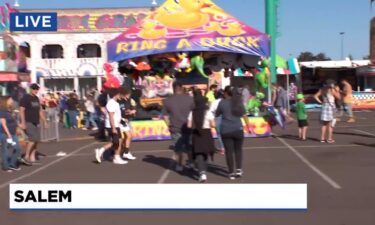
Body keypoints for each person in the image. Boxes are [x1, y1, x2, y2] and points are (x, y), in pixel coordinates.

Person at [216, 86, 251, 180]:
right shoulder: (238, 102)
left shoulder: (222, 103)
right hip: (238, 128)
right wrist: (248, 126)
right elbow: (244, 115)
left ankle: (231, 173)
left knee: (229, 152)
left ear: (226, 93)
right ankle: (239, 169)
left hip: (226, 130)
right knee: (238, 150)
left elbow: (217, 114)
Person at [163, 82, 194, 172]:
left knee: (178, 148)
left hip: (175, 127)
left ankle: (180, 165)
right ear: (182, 88)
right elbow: (194, 113)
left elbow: (165, 116)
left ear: (173, 88)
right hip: (188, 126)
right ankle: (191, 163)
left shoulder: (167, 100)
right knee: (189, 146)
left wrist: (169, 125)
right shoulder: (190, 99)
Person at [187, 91, 216, 182]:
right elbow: (213, 125)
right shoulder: (208, 112)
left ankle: (202, 173)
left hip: (196, 133)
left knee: (198, 153)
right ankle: (204, 170)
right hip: (207, 133)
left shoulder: (193, 112)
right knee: (205, 152)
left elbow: (189, 125)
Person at [95, 88, 127, 165]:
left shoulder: (115, 103)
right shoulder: (112, 103)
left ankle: (103, 151)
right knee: (118, 141)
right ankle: (115, 157)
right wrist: (113, 128)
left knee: (116, 141)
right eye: (119, 94)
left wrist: (121, 121)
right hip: (112, 125)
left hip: (115, 125)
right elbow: (111, 116)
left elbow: (115, 115)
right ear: (116, 95)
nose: (120, 96)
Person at [19, 83, 47, 164]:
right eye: (34, 89)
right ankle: (26, 156)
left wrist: (44, 121)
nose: (36, 90)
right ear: (30, 89)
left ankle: (32, 157)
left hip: (36, 121)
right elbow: (21, 110)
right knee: (33, 139)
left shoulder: (36, 98)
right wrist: (23, 122)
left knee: (36, 140)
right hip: (28, 121)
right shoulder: (25, 98)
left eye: (37, 89)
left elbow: (40, 111)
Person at [0, 96, 22, 172]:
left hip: (13, 133)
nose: (12, 101)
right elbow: (3, 124)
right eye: (10, 100)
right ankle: (5, 166)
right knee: (5, 150)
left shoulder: (10, 110)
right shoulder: (2, 111)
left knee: (18, 148)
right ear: (6, 101)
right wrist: (8, 134)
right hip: (5, 133)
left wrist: (19, 126)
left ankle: (12, 164)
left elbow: (14, 121)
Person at [118, 87, 136, 160]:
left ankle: (125, 152)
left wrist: (131, 111)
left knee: (130, 136)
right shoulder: (119, 101)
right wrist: (126, 112)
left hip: (126, 120)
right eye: (128, 95)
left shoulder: (128, 100)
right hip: (120, 121)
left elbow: (132, 108)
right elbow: (120, 111)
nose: (128, 96)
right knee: (123, 138)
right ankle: (123, 152)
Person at [209, 89, 225, 155]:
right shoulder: (225, 101)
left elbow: (210, 111)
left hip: (217, 118)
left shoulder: (214, 102)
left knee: (219, 134)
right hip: (225, 118)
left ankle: (222, 148)